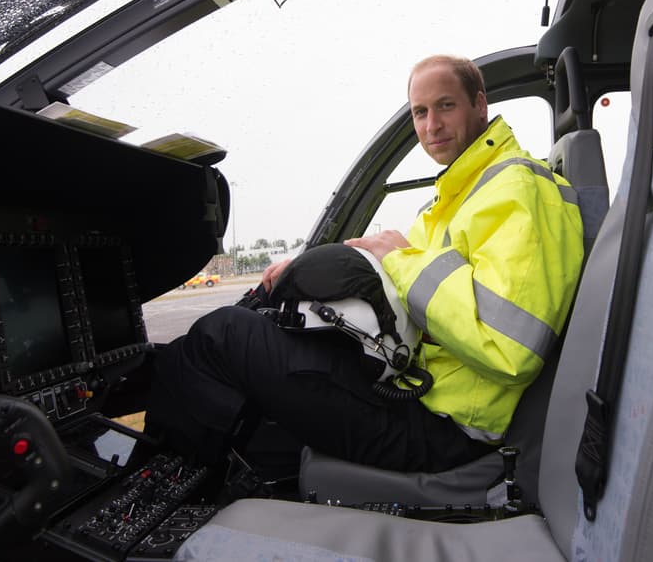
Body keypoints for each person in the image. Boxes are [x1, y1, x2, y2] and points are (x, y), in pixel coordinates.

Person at [145, 54, 585, 475]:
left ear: (479, 103)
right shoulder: (463, 193)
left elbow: (511, 347)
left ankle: (147, 487)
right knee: (261, 316)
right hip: (419, 387)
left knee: (224, 335)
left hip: (445, 424)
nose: (431, 126)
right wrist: (309, 269)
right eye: (420, 112)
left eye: (445, 106)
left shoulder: (517, 189)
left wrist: (398, 257)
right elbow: (412, 277)